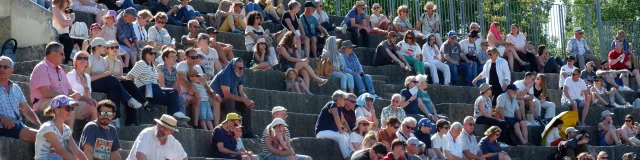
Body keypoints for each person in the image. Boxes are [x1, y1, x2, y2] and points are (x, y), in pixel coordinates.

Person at [30, 42, 98, 131]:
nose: (64, 57)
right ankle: (68, 139)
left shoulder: (60, 70)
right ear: (53, 53)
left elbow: (69, 90)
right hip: (43, 103)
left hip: (62, 101)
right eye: (62, 54)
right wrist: (66, 97)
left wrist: (86, 99)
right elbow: (46, 92)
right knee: (68, 105)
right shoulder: (42, 67)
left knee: (93, 107)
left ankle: (91, 138)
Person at [84, 38, 143, 128]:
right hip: (92, 84)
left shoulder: (103, 60)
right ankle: (128, 99)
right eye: (104, 46)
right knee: (111, 79)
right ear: (97, 47)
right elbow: (87, 79)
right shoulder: (89, 58)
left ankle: (115, 118)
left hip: (102, 83)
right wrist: (103, 75)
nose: (105, 48)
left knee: (114, 90)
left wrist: (104, 75)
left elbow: (105, 76)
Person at [126, 46, 189, 122]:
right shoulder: (141, 63)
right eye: (151, 53)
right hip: (145, 90)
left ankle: (174, 114)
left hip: (155, 89)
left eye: (154, 53)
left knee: (173, 92)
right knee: (172, 100)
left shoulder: (152, 66)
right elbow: (129, 77)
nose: (153, 55)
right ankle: (171, 118)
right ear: (145, 54)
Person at [0, 56, 41, 143]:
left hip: (18, 125)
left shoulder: (16, 88)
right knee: (42, 138)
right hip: (3, 127)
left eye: (5, 67)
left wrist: (40, 125)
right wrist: (3, 118)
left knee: (48, 136)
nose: (2, 69)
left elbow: (27, 110)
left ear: (12, 71)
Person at [210, 58, 255, 138]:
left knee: (246, 105)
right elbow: (226, 94)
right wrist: (244, 99)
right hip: (216, 98)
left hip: (228, 98)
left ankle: (247, 132)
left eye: (243, 68)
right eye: (239, 68)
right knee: (230, 102)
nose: (241, 70)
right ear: (233, 66)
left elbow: (241, 92)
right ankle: (232, 130)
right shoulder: (225, 75)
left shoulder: (240, 74)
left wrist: (247, 101)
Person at [34, 95, 87, 160]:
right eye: (67, 108)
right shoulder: (48, 128)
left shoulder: (66, 129)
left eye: (72, 109)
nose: (70, 111)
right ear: (57, 110)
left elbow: (77, 151)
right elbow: (62, 152)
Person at [105, 41, 144, 126]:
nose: (115, 49)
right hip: (109, 84)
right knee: (126, 86)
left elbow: (121, 76)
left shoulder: (119, 62)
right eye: (112, 47)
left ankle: (131, 120)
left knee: (129, 86)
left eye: (116, 47)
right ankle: (143, 102)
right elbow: (107, 77)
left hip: (118, 83)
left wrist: (121, 78)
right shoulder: (105, 60)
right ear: (107, 49)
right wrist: (121, 78)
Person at [315, 90, 350, 160]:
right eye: (344, 99)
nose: (345, 101)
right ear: (338, 99)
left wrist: (347, 131)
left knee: (347, 135)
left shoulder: (339, 109)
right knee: (342, 137)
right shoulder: (332, 104)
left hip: (330, 132)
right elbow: (336, 117)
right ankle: (348, 158)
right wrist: (340, 130)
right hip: (322, 132)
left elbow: (342, 121)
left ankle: (351, 155)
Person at [52, 0, 86, 64]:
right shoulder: (54, 8)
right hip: (56, 34)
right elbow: (63, 24)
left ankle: (83, 60)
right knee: (69, 40)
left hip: (65, 34)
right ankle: (68, 61)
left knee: (83, 41)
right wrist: (72, 18)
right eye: (67, 3)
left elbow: (69, 26)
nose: (67, 6)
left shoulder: (61, 11)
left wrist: (68, 17)